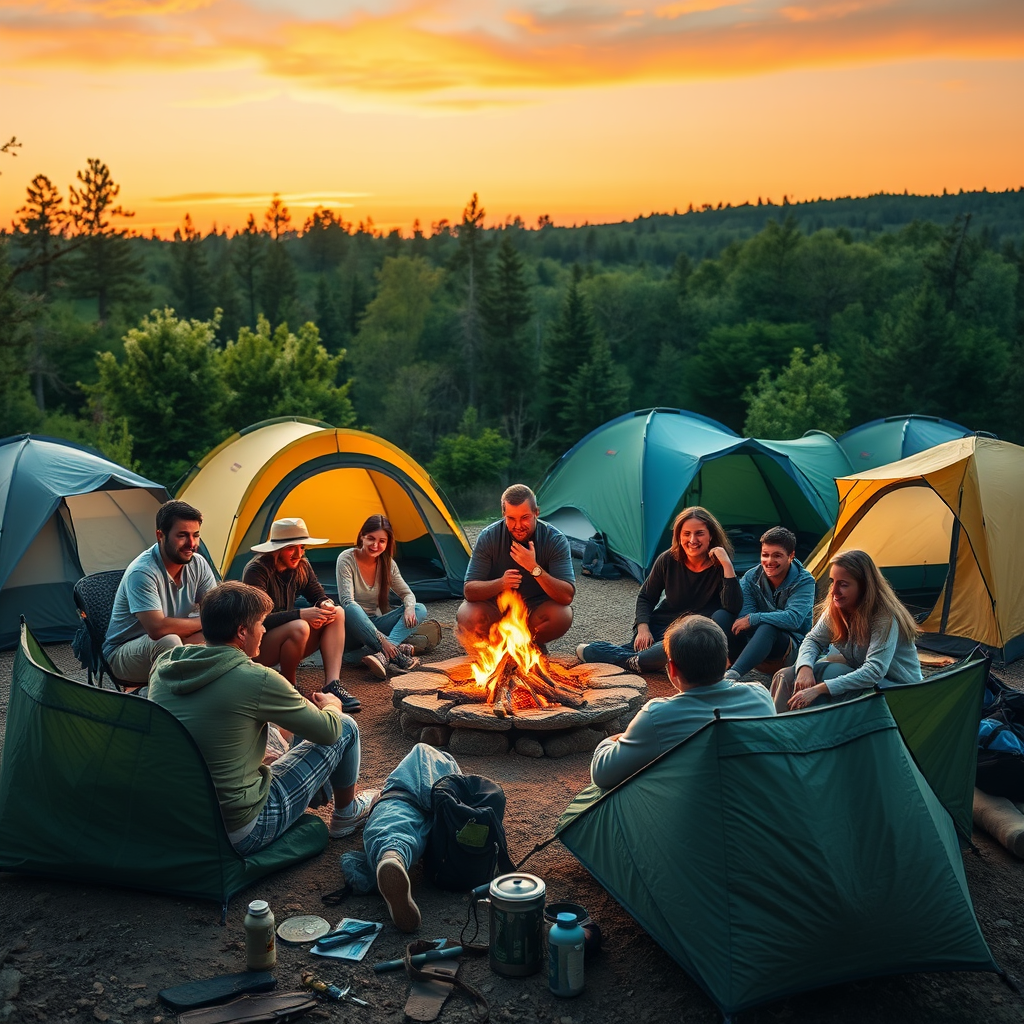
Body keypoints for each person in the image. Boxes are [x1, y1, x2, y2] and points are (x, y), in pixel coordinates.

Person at [148, 581, 378, 852]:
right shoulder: (256, 679)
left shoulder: (166, 664)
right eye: (261, 623)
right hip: (239, 828)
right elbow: (329, 732)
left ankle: (321, 788)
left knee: (267, 726)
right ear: (242, 632)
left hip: (180, 819)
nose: (265, 630)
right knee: (345, 726)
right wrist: (332, 705)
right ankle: (346, 814)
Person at [590, 615, 776, 790]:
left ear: (671, 669)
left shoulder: (658, 716)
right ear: (727, 661)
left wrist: (612, 739)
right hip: (755, 804)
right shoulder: (760, 695)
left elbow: (602, 775)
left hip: (693, 814)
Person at [577, 506, 740, 674]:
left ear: (711, 535)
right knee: (652, 650)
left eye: (699, 533)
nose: (692, 540)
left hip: (694, 634)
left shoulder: (721, 564)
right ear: (678, 536)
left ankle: (628, 659)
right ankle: (640, 659)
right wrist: (643, 628)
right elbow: (646, 597)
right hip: (662, 627)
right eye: (686, 534)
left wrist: (727, 566)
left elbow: (732, 608)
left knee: (677, 648)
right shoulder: (668, 559)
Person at [770, 549, 922, 713]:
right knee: (786, 676)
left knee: (831, 675)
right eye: (832, 582)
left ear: (864, 587)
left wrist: (819, 689)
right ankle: (776, 727)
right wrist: (804, 668)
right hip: (864, 676)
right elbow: (813, 640)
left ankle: (809, 728)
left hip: (898, 690)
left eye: (843, 584)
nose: (834, 592)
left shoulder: (884, 618)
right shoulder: (837, 608)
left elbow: (874, 672)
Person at [339, 743, 462, 932]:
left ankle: (391, 858)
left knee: (394, 830)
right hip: (432, 820)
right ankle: (391, 861)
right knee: (428, 758)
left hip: (393, 806)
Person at [243, 518, 359, 714]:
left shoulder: (302, 566)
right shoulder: (257, 571)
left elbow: (318, 594)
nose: (298, 554)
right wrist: (301, 614)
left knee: (337, 612)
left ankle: (332, 684)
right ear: (277, 549)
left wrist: (325, 604)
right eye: (291, 548)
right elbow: (257, 620)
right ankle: (290, 688)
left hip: (290, 640)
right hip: (259, 647)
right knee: (300, 626)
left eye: (302, 547)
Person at [103, 499, 217, 685]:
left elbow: (217, 611)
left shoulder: (198, 563)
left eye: (195, 535)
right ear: (160, 535)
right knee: (168, 641)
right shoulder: (143, 571)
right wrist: (206, 620)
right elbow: (158, 629)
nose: (191, 543)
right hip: (124, 653)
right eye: (182, 535)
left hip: (178, 639)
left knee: (224, 636)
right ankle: (175, 702)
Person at [457, 484, 575, 651]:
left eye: (525, 517)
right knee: (468, 614)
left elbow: (566, 596)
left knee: (562, 615)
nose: (518, 525)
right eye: (511, 518)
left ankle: (530, 644)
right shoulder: (489, 537)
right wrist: (501, 584)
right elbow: (469, 591)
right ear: (504, 514)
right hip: (496, 611)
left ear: (537, 512)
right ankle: (499, 646)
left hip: (535, 613)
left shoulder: (554, 539)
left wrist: (534, 568)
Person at [336, 514, 434, 679]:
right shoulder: (346, 559)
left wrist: (409, 607)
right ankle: (395, 653)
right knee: (351, 608)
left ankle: (383, 655)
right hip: (351, 630)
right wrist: (384, 641)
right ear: (362, 536)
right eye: (371, 539)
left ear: (388, 543)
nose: (375, 545)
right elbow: (347, 601)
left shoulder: (388, 564)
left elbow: (407, 593)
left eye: (382, 541)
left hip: (375, 624)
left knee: (419, 609)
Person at [725, 526, 815, 680]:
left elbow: (793, 619)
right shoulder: (751, 576)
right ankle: (717, 668)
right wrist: (754, 619)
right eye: (765, 555)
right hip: (755, 641)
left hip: (790, 647)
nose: (769, 561)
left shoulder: (805, 581)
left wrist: (756, 618)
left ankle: (732, 676)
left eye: (777, 556)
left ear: (791, 555)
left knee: (768, 627)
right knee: (722, 616)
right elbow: (745, 615)